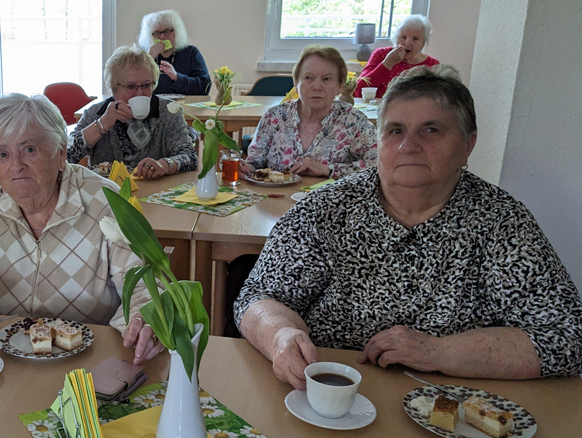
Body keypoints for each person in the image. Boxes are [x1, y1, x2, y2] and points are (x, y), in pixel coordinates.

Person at [234, 66, 582, 390]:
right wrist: (279, 335)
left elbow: (568, 334)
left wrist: (439, 352)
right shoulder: (326, 208)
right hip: (327, 396)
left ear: (467, 145)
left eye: (431, 130)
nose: (409, 145)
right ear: (379, 142)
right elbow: (258, 297)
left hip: (457, 406)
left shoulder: (501, 222)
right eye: (395, 130)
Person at [0, 93, 163, 363]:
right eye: (3, 154)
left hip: (91, 362)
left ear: (61, 151)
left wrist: (142, 318)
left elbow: (145, 282)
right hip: (3, 365)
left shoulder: (107, 203)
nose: (16, 166)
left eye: (29, 150)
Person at [239, 45, 377, 180]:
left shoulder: (354, 121)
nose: (317, 87)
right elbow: (253, 166)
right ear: (296, 84)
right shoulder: (274, 117)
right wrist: (244, 168)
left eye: (326, 79)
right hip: (276, 199)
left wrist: (328, 170)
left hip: (331, 201)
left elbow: (378, 167)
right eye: (308, 78)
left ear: (339, 86)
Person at [67, 44, 196, 179]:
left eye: (146, 85)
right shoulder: (96, 113)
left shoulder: (168, 111)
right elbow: (65, 157)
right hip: (109, 195)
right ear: (114, 89)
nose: (139, 93)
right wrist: (102, 124)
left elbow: (190, 157)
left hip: (155, 194)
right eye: (131, 86)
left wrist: (165, 164)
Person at [353, 14, 439, 99]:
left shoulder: (432, 65)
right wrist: (387, 64)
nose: (407, 43)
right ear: (396, 38)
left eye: (415, 39)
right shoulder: (381, 54)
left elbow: (436, 99)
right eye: (404, 37)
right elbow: (359, 91)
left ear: (424, 42)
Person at [137, 10, 210, 96]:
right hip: (153, 107)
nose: (162, 36)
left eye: (167, 31)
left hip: (186, 107)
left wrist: (177, 77)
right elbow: (134, 87)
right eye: (157, 33)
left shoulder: (191, 53)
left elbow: (205, 87)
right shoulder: (145, 56)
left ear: (177, 32)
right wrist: (148, 60)